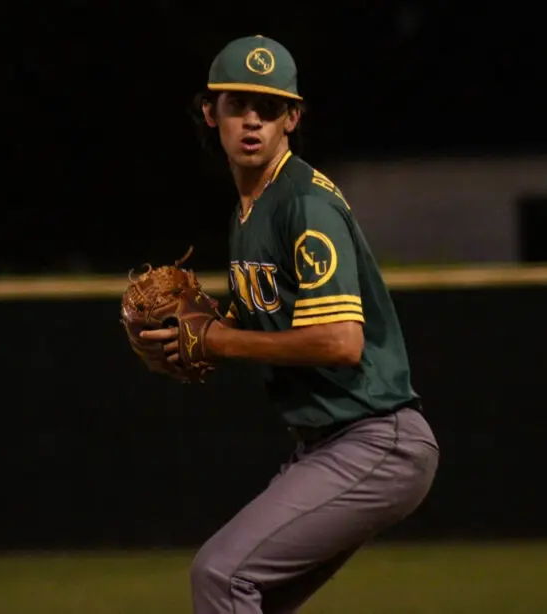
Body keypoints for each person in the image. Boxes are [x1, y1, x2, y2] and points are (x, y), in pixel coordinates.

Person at [141, 34, 440, 614]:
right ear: (211, 112)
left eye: (270, 107)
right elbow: (257, 327)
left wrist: (218, 339)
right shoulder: (250, 211)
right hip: (326, 447)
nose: (252, 120)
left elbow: (341, 342)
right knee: (253, 597)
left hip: (376, 439)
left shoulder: (304, 203)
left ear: (292, 119)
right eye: (237, 105)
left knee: (221, 575)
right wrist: (195, 339)